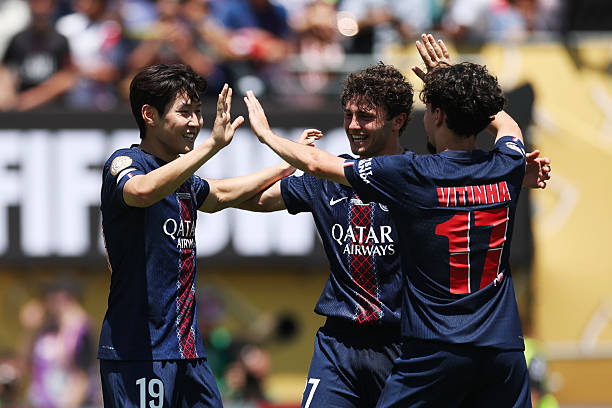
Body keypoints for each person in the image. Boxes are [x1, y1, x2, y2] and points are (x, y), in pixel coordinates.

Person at [243, 33, 551, 406]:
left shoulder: (416, 173)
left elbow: (316, 162)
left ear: (436, 115)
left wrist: (266, 135)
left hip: (436, 344)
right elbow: (509, 127)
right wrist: (455, 86)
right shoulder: (508, 164)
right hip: (503, 346)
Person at [98, 63, 311, 408]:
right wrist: (212, 146)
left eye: (199, 112)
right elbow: (142, 191)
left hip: (188, 352)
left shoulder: (183, 181)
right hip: (138, 349)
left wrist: (288, 165)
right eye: (185, 112)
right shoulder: (125, 163)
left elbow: (222, 193)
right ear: (150, 115)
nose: (196, 122)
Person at [0, 0, 76, 111]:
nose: (40, 8)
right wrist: (8, 93)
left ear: (52, 7)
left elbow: (68, 77)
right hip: (22, 109)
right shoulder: (18, 39)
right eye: (35, 3)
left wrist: (34, 98)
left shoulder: (60, 41)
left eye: (44, 3)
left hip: (52, 109)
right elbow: (5, 69)